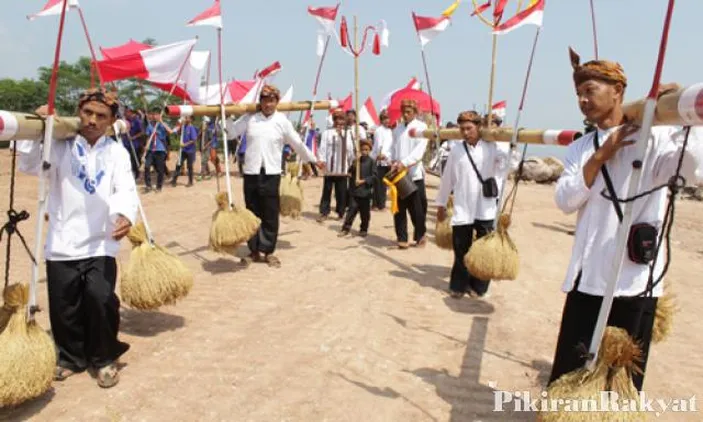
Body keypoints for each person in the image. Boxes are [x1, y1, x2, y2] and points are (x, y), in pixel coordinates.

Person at [547, 48, 703, 391]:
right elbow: (566, 200)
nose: (583, 100)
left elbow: (693, 172)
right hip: (588, 279)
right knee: (572, 370)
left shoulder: (657, 137)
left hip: (637, 281)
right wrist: (603, 154)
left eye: (591, 91)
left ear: (617, 91)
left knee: (622, 380)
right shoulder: (582, 147)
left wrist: (684, 121)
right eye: (579, 94)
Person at [16, 89, 138, 388]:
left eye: (101, 116)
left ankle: (104, 358)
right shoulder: (59, 146)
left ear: (111, 121)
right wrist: (39, 128)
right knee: (64, 304)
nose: (92, 120)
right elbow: (29, 165)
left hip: (100, 239)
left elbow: (124, 188)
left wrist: (124, 214)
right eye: (88, 113)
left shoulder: (116, 152)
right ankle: (71, 357)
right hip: (62, 239)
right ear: (79, 113)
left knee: (100, 298)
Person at [226, 84, 318, 268]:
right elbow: (231, 132)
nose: (268, 104)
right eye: (265, 100)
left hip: (271, 174)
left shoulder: (282, 121)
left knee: (269, 214)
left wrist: (313, 159)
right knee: (251, 212)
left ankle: (268, 251)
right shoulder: (250, 118)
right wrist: (227, 114)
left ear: (276, 102)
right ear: (260, 102)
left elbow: (297, 143)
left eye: (271, 101)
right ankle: (253, 250)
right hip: (251, 172)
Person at [435, 111, 519, 299]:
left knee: (484, 249)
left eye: (469, 128)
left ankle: (479, 287)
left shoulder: (493, 147)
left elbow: (509, 165)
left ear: (479, 127)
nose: (465, 132)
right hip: (463, 207)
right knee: (460, 248)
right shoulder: (457, 150)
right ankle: (458, 286)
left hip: (486, 207)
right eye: (462, 129)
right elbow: (447, 178)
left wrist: (511, 146)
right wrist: (441, 204)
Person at [389, 99, 429, 249]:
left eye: (409, 112)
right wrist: (393, 161)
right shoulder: (397, 129)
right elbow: (393, 148)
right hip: (398, 174)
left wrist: (404, 163)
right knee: (399, 208)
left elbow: (419, 151)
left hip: (413, 173)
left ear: (415, 112)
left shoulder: (421, 127)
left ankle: (420, 236)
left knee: (417, 208)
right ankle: (402, 237)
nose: (406, 115)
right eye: (404, 112)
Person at [316, 109, 355, 222]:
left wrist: (352, 163)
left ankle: (341, 212)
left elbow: (351, 150)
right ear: (334, 120)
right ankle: (324, 212)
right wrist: (322, 160)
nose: (339, 121)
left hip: (343, 168)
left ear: (344, 120)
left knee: (341, 192)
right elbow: (322, 148)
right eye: (337, 119)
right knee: (327, 190)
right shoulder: (327, 133)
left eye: (341, 119)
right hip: (329, 167)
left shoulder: (348, 133)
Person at [339, 139, 377, 237]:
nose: (364, 151)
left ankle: (363, 229)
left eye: (367, 149)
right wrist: (350, 173)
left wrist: (363, 181)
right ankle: (346, 228)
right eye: (363, 149)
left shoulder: (372, 162)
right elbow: (350, 172)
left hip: (365, 191)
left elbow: (374, 176)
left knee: (365, 213)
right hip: (354, 191)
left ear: (369, 150)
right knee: (351, 210)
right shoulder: (356, 161)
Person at [144, 108, 174, 193]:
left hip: (160, 150)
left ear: (159, 116)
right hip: (151, 150)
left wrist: (161, 122)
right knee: (147, 166)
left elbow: (170, 131)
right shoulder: (149, 125)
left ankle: (159, 186)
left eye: (156, 114)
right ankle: (148, 185)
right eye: (153, 114)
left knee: (160, 170)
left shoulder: (162, 125)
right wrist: (146, 146)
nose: (154, 116)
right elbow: (148, 137)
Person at [371, 110, 393, 211]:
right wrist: (381, 154)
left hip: (387, 160)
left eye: (388, 118)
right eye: (385, 118)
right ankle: (377, 204)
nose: (387, 120)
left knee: (383, 184)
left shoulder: (390, 131)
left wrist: (388, 158)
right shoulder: (379, 130)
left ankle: (381, 203)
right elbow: (379, 144)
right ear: (381, 120)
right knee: (378, 183)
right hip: (379, 159)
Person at [171, 116, 198, 187]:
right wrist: (179, 126)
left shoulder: (192, 128)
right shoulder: (183, 127)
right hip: (183, 150)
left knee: (189, 166)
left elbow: (194, 140)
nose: (185, 119)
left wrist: (184, 144)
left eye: (187, 118)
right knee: (178, 164)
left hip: (190, 150)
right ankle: (174, 180)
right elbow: (178, 133)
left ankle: (190, 181)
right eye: (185, 118)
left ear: (191, 119)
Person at [124, 108, 145, 179]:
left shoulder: (137, 121)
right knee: (127, 159)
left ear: (130, 112)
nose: (125, 113)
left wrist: (134, 137)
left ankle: (138, 174)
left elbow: (142, 132)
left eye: (126, 112)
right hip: (126, 144)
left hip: (134, 144)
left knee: (134, 160)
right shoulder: (125, 121)